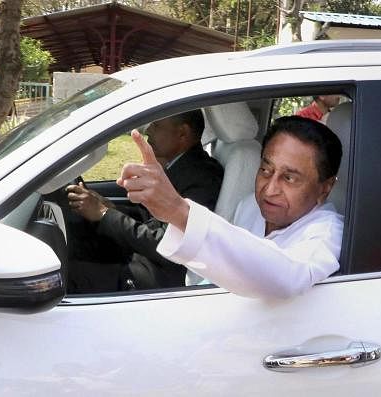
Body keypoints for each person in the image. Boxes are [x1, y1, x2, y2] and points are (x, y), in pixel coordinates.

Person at [117, 115, 343, 299]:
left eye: (289, 178)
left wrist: (178, 210)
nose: (270, 189)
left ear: (325, 188)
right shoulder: (251, 205)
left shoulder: (327, 233)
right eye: (266, 170)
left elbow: (287, 276)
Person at [66, 110, 224, 291]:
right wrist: (108, 207)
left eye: (156, 125)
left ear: (182, 133)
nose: (148, 130)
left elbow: (167, 243)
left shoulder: (202, 178)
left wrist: (104, 215)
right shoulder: (181, 166)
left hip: (154, 276)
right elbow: (151, 218)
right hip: (143, 257)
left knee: (69, 275)